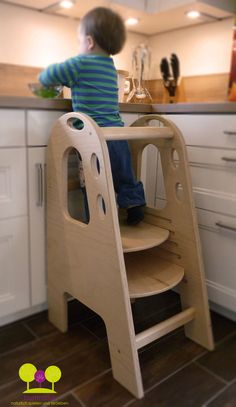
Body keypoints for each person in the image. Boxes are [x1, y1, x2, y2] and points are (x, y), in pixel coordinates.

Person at [39, 6, 146, 225]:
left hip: (92, 138)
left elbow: (49, 75)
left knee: (94, 183)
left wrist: (47, 81)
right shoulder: (110, 66)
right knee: (124, 176)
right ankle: (134, 202)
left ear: (89, 42)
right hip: (117, 135)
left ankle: (98, 225)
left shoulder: (79, 63)